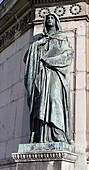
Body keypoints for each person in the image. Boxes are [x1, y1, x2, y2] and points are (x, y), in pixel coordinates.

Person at [24, 13, 74, 143]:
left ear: (56, 21)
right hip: (41, 75)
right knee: (40, 102)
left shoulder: (61, 38)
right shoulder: (40, 40)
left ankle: (58, 132)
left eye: (52, 18)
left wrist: (51, 60)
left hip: (55, 73)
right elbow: (27, 57)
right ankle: (41, 135)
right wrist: (37, 45)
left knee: (54, 98)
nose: (50, 20)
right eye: (48, 18)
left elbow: (68, 55)